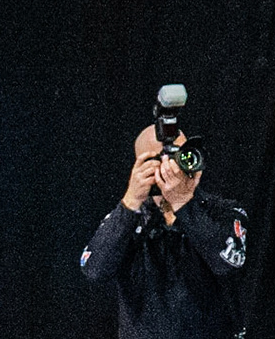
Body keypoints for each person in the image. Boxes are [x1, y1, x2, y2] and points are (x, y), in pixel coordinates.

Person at [80, 126, 247, 339]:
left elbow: (229, 264)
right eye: (164, 159)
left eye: (182, 154)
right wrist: (131, 201)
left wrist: (183, 203)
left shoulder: (222, 211)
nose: (175, 167)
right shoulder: (129, 219)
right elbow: (94, 270)